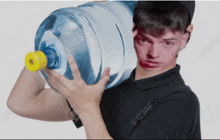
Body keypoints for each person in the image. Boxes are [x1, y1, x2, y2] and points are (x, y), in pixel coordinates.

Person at [7, 1, 201, 139]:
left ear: (186, 33)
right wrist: (55, 41)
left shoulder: (180, 102)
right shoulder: (110, 80)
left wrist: (87, 109)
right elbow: (22, 102)